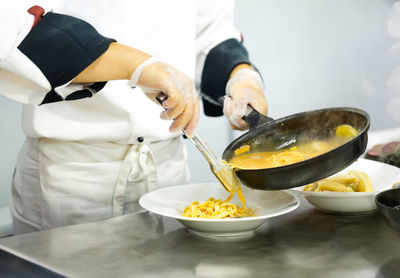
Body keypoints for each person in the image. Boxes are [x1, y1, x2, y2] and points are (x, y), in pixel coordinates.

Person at [1, 0, 268, 234]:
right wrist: (137, 66)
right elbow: (15, 26)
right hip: (73, 178)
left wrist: (241, 75)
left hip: (168, 172)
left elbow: (209, 33)